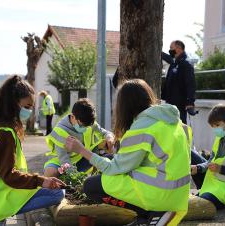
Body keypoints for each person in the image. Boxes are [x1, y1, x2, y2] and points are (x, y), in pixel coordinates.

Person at [65, 79, 191, 226]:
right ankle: (146, 219)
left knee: (91, 186)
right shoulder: (176, 122)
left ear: (124, 106)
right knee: (110, 158)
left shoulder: (142, 128)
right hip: (179, 195)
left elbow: (113, 168)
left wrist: (82, 150)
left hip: (160, 195)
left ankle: (151, 213)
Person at [0, 75, 65, 226]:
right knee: (57, 193)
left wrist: (41, 181)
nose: (29, 111)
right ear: (13, 104)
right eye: (27, 106)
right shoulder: (5, 134)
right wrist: (41, 181)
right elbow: (9, 175)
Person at [44, 98, 115, 178]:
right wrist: (76, 179)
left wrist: (110, 138)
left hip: (84, 158)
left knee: (105, 145)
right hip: (62, 163)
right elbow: (65, 161)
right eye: (81, 125)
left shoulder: (87, 122)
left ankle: (99, 177)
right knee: (50, 172)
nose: (85, 128)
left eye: (87, 126)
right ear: (73, 116)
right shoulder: (60, 132)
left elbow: (104, 133)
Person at [161, 40, 196, 123]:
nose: (170, 50)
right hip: (170, 102)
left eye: (171, 48)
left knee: (180, 126)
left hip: (180, 103)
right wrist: (160, 53)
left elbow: (190, 84)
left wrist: (190, 102)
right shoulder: (175, 62)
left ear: (179, 48)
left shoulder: (186, 64)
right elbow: (169, 58)